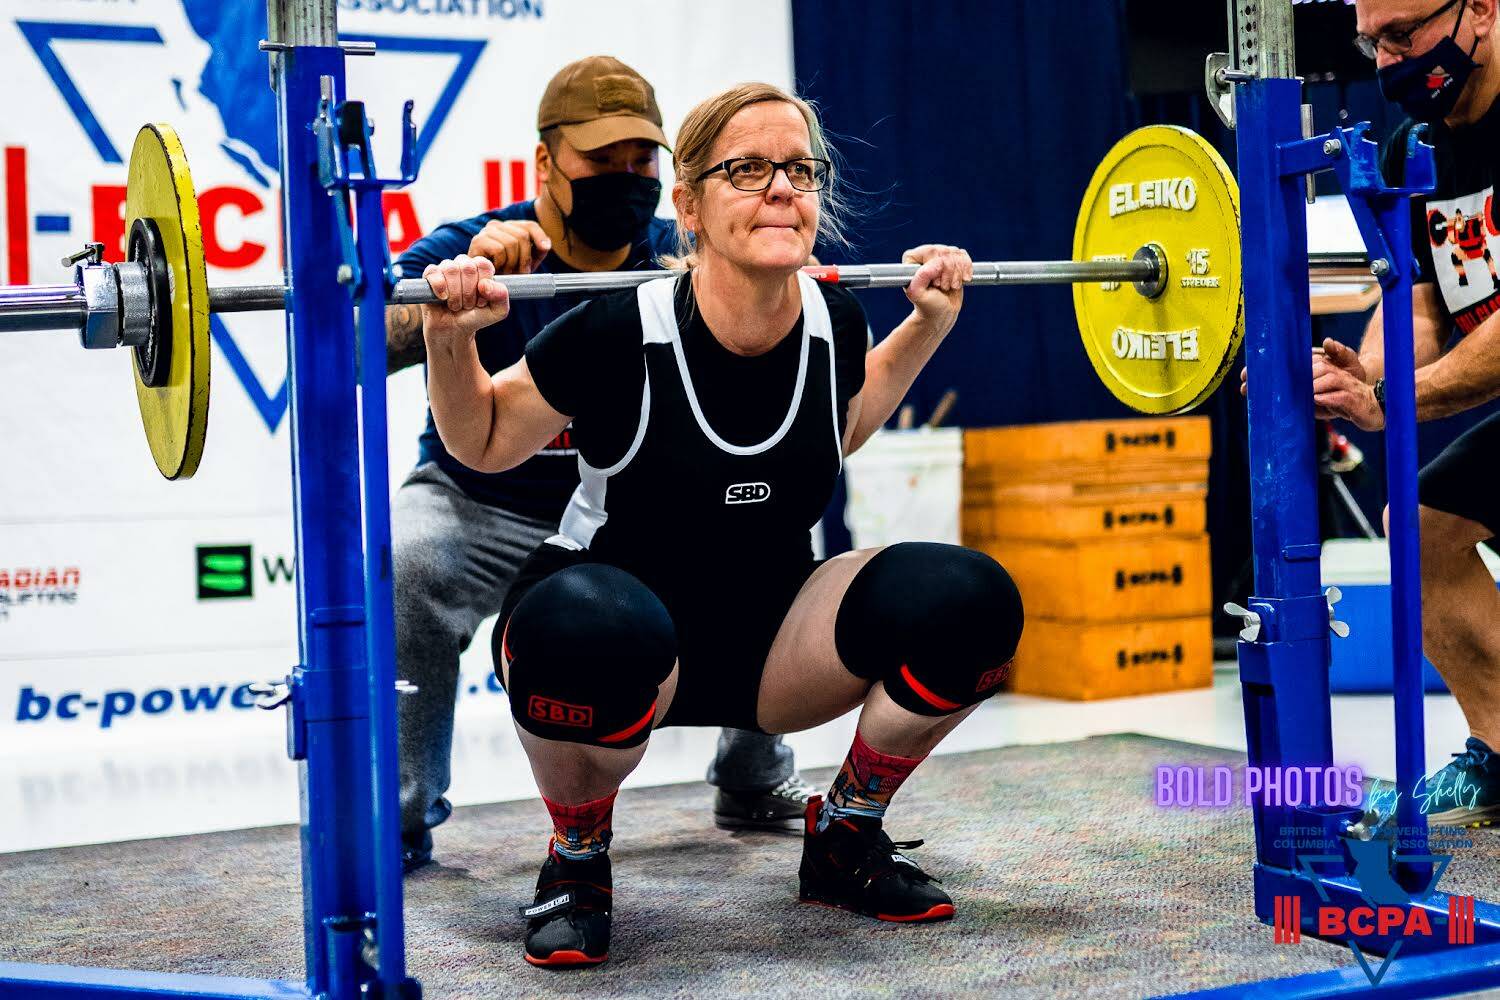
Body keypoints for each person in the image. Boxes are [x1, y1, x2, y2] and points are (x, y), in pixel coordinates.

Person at [419, 81, 1024, 968]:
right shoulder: (616, 330)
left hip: (775, 646)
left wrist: (927, 327)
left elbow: (842, 425)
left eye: (798, 169)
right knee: (583, 627)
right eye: (748, 170)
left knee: (970, 600)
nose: (782, 187)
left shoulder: (836, 319)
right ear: (689, 204)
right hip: (618, 633)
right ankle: (578, 859)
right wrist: (450, 336)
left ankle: (847, 831)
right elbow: (482, 441)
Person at [386, 57, 814, 875]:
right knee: (407, 564)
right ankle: (399, 820)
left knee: (765, 514)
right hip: (482, 499)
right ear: (545, 164)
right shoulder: (473, 247)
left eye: (640, 161)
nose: (626, 177)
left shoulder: (680, 253)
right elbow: (374, 341)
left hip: (631, 508)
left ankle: (753, 776)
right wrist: (454, 299)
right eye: (602, 159)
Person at [1294, 0, 1500, 824]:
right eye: (1369, 42)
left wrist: (1390, 401)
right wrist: (1358, 374)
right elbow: (1422, 303)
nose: (1385, 63)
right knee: (1418, 527)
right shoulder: (1417, 147)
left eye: (1402, 35)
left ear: (1480, 10)